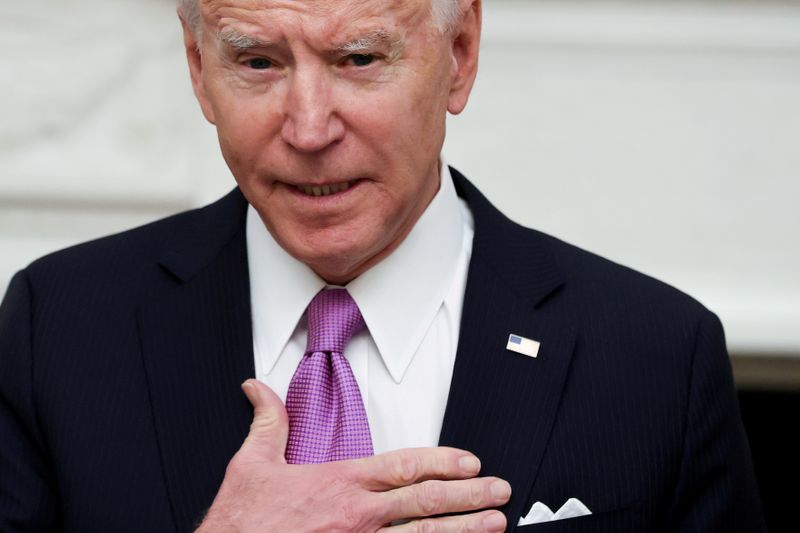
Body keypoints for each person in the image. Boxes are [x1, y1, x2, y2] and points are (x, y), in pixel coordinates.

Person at [0, 0, 765, 531]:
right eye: (258, 61)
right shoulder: (59, 325)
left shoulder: (654, 354)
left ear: (460, 54)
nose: (306, 126)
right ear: (199, 68)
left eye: (359, 58)